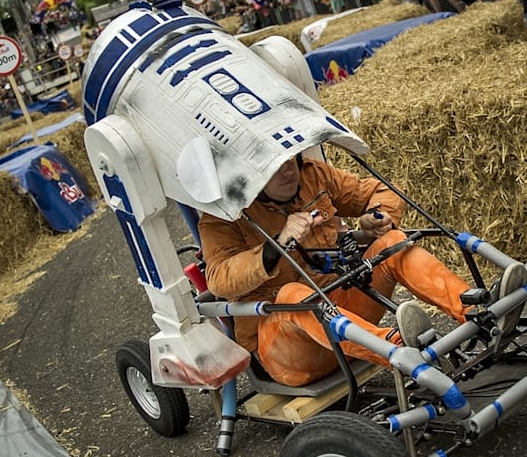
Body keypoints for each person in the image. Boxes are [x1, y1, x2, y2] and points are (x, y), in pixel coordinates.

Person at [199, 152, 483, 387]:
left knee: (392, 242)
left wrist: (378, 216)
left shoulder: (313, 175)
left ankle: (475, 310)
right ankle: (402, 351)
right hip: (291, 352)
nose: (287, 171)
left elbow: (380, 191)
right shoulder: (223, 217)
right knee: (293, 295)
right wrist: (276, 246)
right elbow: (219, 281)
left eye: (289, 160)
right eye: (274, 167)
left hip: (345, 319)